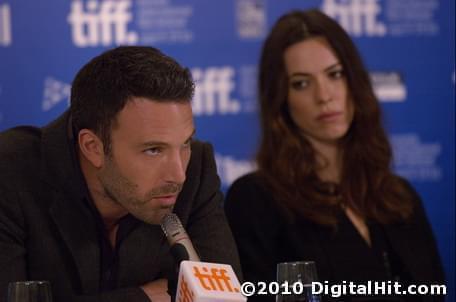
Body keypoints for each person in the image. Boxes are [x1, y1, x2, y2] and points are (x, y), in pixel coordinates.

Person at [224, 9, 444, 302]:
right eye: (302, 83)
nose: (324, 95)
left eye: (335, 74)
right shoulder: (255, 200)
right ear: (280, 100)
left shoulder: (400, 196)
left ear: (354, 81)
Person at [0, 46, 241, 302]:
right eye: (153, 150)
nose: (178, 175)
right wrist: (142, 297)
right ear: (93, 147)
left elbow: (223, 297)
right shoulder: (11, 171)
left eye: (184, 144)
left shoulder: (196, 169)